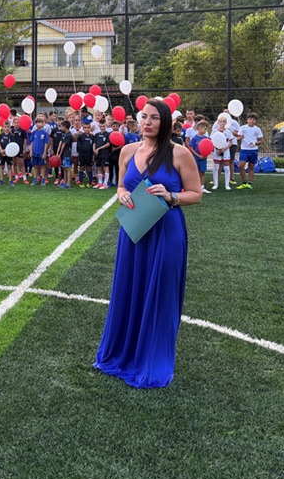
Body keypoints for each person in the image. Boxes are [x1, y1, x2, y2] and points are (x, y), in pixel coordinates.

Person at [94, 99, 202, 388]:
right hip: (133, 230)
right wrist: (121, 195)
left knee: (160, 294)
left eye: (155, 118)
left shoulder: (179, 153)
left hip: (166, 231)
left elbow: (196, 194)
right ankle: (122, 353)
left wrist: (171, 196)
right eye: (144, 116)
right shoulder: (128, 151)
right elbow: (120, 185)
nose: (148, 122)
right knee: (129, 289)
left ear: (165, 122)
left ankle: (152, 361)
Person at [236, 112, 263, 189]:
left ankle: (250, 182)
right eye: (250, 119)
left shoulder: (257, 129)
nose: (251, 120)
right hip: (244, 149)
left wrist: (255, 143)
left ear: (256, 121)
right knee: (241, 165)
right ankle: (244, 182)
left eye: (253, 119)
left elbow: (260, 141)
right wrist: (240, 138)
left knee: (251, 166)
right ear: (247, 120)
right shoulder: (243, 128)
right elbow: (238, 138)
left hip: (253, 150)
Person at [211, 115, 234, 190]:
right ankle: (215, 184)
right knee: (216, 167)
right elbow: (211, 141)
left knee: (227, 167)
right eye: (220, 121)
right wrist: (217, 148)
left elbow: (231, 142)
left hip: (226, 151)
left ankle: (227, 184)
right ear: (218, 122)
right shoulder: (214, 131)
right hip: (216, 151)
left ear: (226, 123)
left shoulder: (228, 132)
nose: (222, 123)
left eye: (224, 122)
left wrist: (224, 149)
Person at [188, 121, 211, 194]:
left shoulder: (206, 138)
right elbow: (191, 148)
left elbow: (209, 148)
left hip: (203, 159)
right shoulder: (195, 138)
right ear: (200, 128)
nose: (205, 131)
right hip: (196, 158)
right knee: (196, 172)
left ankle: (202, 187)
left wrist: (206, 155)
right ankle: (196, 187)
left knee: (202, 172)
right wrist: (198, 155)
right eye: (204, 129)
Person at [28, 115, 50, 185]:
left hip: (41, 152)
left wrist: (44, 152)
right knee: (35, 166)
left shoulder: (44, 133)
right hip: (35, 152)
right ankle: (35, 179)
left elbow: (46, 143)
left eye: (40, 122)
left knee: (42, 166)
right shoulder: (34, 132)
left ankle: (43, 179)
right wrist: (31, 151)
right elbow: (31, 142)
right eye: (37, 123)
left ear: (43, 124)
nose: (38, 124)